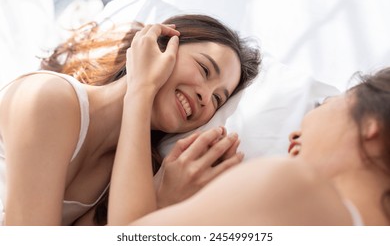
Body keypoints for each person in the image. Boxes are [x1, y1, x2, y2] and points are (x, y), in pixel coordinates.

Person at [0, 14, 261, 225]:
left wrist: (160, 202)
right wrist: (141, 88)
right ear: (159, 44)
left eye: (217, 99)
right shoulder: (50, 99)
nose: (206, 96)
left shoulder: (122, 174)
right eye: (204, 69)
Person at [107, 67, 390, 226]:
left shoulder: (294, 187)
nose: (293, 136)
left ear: (371, 125)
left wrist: (139, 94)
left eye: (324, 103)